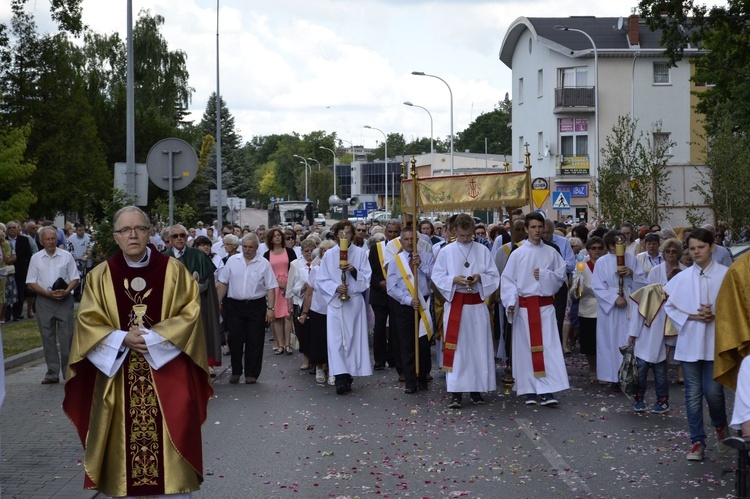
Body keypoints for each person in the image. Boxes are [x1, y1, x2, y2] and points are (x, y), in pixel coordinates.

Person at [63, 206, 212, 496]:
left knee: (173, 454)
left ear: (150, 234)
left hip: (168, 375)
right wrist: (121, 338)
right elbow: (88, 321)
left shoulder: (174, 271)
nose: (133, 235)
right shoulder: (99, 276)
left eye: (139, 229)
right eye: (125, 230)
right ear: (116, 237)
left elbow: (190, 313)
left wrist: (152, 339)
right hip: (118, 379)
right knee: (124, 463)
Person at [664, 228, 729, 461]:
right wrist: (693, 316)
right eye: (692, 248)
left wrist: (715, 314)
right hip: (690, 341)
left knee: (713, 393)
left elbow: (736, 306)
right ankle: (697, 442)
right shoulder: (681, 277)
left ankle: (720, 427)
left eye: (701, 247)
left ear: (712, 247)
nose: (696, 251)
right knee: (692, 395)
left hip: (715, 343)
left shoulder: (726, 274)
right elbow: (670, 306)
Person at [432, 213, 500, 408]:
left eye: (469, 235)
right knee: (458, 350)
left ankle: (476, 390)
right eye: (462, 236)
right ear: (454, 232)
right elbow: (437, 277)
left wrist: (480, 278)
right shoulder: (446, 251)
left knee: (478, 349)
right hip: (456, 304)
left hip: (476, 306)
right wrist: (453, 280)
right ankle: (455, 392)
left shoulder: (482, 250)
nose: (466, 239)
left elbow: (494, 276)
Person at [501, 212, 569, 406]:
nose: (537, 231)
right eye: (533, 227)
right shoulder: (518, 253)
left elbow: (560, 276)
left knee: (547, 350)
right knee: (525, 350)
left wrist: (545, 275)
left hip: (544, 307)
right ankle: (529, 389)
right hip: (524, 309)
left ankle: (547, 390)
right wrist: (511, 301)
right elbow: (508, 281)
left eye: (540, 227)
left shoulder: (552, 252)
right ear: (526, 229)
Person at [315, 221, 372, 394]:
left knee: (353, 339)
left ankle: (349, 374)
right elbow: (322, 279)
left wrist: (353, 271)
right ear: (336, 235)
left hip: (353, 302)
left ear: (353, 235)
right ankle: (340, 375)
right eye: (341, 232)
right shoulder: (330, 255)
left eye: (348, 232)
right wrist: (335, 287)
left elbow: (366, 277)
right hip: (336, 302)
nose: (344, 236)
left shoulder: (361, 253)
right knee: (336, 340)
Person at [217, 233, 278, 384]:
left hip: (256, 306)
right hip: (234, 305)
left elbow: (271, 288)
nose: (247, 250)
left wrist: (271, 309)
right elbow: (223, 282)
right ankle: (236, 371)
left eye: (250, 247)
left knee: (254, 340)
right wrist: (217, 302)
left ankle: (252, 373)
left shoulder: (264, 263)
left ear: (257, 248)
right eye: (244, 246)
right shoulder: (232, 261)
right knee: (234, 339)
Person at [591, 230, 647, 387]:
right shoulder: (602, 262)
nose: (619, 247)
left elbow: (643, 282)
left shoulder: (632, 259)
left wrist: (632, 274)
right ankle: (613, 377)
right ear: (609, 246)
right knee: (610, 341)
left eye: (622, 243)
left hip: (629, 301)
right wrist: (614, 298)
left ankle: (630, 376)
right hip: (611, 308)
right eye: (616, 245)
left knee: (628, 338)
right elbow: (597, 286)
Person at [165, 224, 222, 374]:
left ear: (187, 237)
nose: (179, 238)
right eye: (175, 236)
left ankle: (203, 363)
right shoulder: (164, 258)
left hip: (197, 303)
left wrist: (191, 290)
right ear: (170, 239)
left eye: (182, 235)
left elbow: (207, 282)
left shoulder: (197, 255)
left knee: (201, 332)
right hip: (173, 306)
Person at [26, 226, 80, 384]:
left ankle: (68, 371)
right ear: (41, 241)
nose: (50, 242)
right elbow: (31, 282)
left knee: (67, 336)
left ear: (57, 240)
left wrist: (66, 291)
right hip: (44, 300)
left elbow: (75, 278)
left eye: (53, 239)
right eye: (47, 239)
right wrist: (47, 293)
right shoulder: (36, 258)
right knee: (47, 337)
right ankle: (52, 373)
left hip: (64, 300)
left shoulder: (66, 256)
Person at [386, 226, 434, 394]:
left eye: (412, 239)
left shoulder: (427, 257)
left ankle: (423, 378)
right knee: (407, 344)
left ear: (417, 240)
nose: (409, 242)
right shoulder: (395, 260)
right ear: (401, 241)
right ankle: (410, 381)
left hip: (424, 304)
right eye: (406, 239)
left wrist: (421, 266)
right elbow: (391, 288)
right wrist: (407, 300)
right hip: (405, 306)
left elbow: (435, 279)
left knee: (423, 344)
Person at [299, 240, 336, 384]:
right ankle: (320, 367)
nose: (327, 253)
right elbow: (309, 293)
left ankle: (333, 369)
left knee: (333, 342)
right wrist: (304, 313)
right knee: (319, 341)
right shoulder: (316, 270)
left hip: (334, 311)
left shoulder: (340, 270)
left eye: (330, 250)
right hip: (318, 310)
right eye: (324, 251)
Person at [572, 236, 605, 383]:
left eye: (599, 248)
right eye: (594, 248)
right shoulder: (581, 264)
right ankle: (593, 369)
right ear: (588, 250)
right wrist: (578, 286)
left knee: (604, 342)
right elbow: (576, 287)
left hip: (605, 308)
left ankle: (605, 369)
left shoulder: (606, 264)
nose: (597, 251)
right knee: (589, 343)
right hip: (588, 307)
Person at [264, 228, 297, 355]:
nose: (277, 237)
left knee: (288, 315)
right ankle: (280, 344)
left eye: (279, 235)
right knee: (276, 316)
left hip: (289, 284)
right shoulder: (267, 254)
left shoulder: (289, 252)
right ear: (270, 239)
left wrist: (288, 284)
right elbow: (266, 272)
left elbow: (294, 269)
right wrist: (277, 284)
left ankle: (288, 344)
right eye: (274, 236)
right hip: (274, 287)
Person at [287, 238, 317, 370]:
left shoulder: (320, 262)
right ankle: (306, 357)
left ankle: (316, 358)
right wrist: (289, 303)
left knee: (314, 331)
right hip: (299, 302)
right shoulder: (295, 264)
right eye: (306, 251)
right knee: (302, 332)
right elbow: (290, 286)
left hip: (316, 303)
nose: (309, 253)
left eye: (312, 250)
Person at [67, 223, 93, 300]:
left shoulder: (89, 238)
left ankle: (86, 294)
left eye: (82, 230)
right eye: (78, 230)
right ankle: (76, 293)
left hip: (87, 261)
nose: (80, 232)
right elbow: (69, 248)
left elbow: (90, 247)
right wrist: (73, 256)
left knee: (86, 278)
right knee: (76, 277)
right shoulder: (71, 238)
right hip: (76, 261)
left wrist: (86, 256)